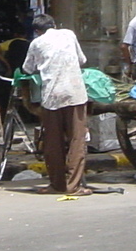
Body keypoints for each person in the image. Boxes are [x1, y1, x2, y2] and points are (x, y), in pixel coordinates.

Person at [21, 14, 91, 195]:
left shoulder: (36, 43)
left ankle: (57, 184)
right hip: (75, 94)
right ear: (54, 25)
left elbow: (27, 69)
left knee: (53, 143)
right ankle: (73, 186)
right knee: (77, 140)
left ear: (37, 31)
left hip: (52, 96)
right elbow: (82, 60)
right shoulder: (69, 34)